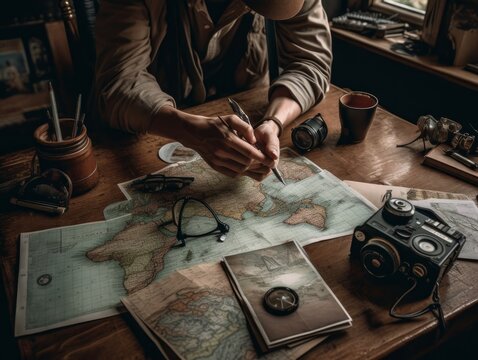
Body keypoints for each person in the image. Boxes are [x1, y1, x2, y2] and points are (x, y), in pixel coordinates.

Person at [95, 0, 331, 181]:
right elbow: (119, 82)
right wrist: (188, 130)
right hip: (150, 131)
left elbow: (311, 62)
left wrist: (273, 122)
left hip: (246, 108)